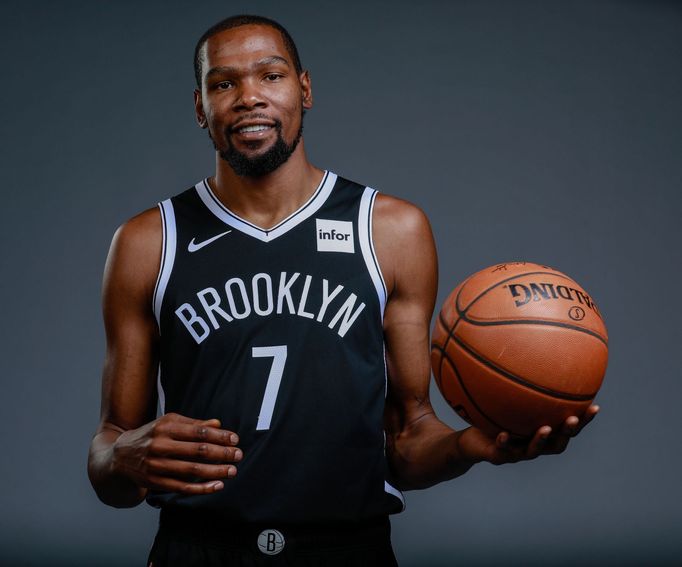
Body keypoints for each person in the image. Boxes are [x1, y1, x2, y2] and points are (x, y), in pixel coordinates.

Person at [87, 14, 599, 566]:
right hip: (198, 548)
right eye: (224, 83)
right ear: (199, 108)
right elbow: (112, 449)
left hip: (346, 550)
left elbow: (407, 440)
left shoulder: (390, 230)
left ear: (304, 89)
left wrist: (469, 447)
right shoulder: (148, 242)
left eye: (271, 76)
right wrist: (121, 459)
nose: (249, 97)